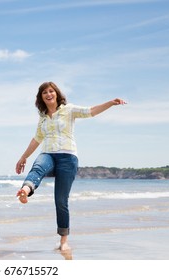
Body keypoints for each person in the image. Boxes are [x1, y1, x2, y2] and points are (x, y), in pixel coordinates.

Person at [15, 81, 126, 251]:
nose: (48, 94)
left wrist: (110, 103)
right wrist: (23, 157)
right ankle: (26, 190)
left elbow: (91, 111)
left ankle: (64, 241)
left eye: (51, 91)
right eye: (44, 92)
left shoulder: (69, 110)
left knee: (60, 200)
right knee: (38, 165)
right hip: (49, 154)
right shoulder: (43, 118)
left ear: (57, 94)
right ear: (41, 98)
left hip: (68, 157)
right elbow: (37, 139)